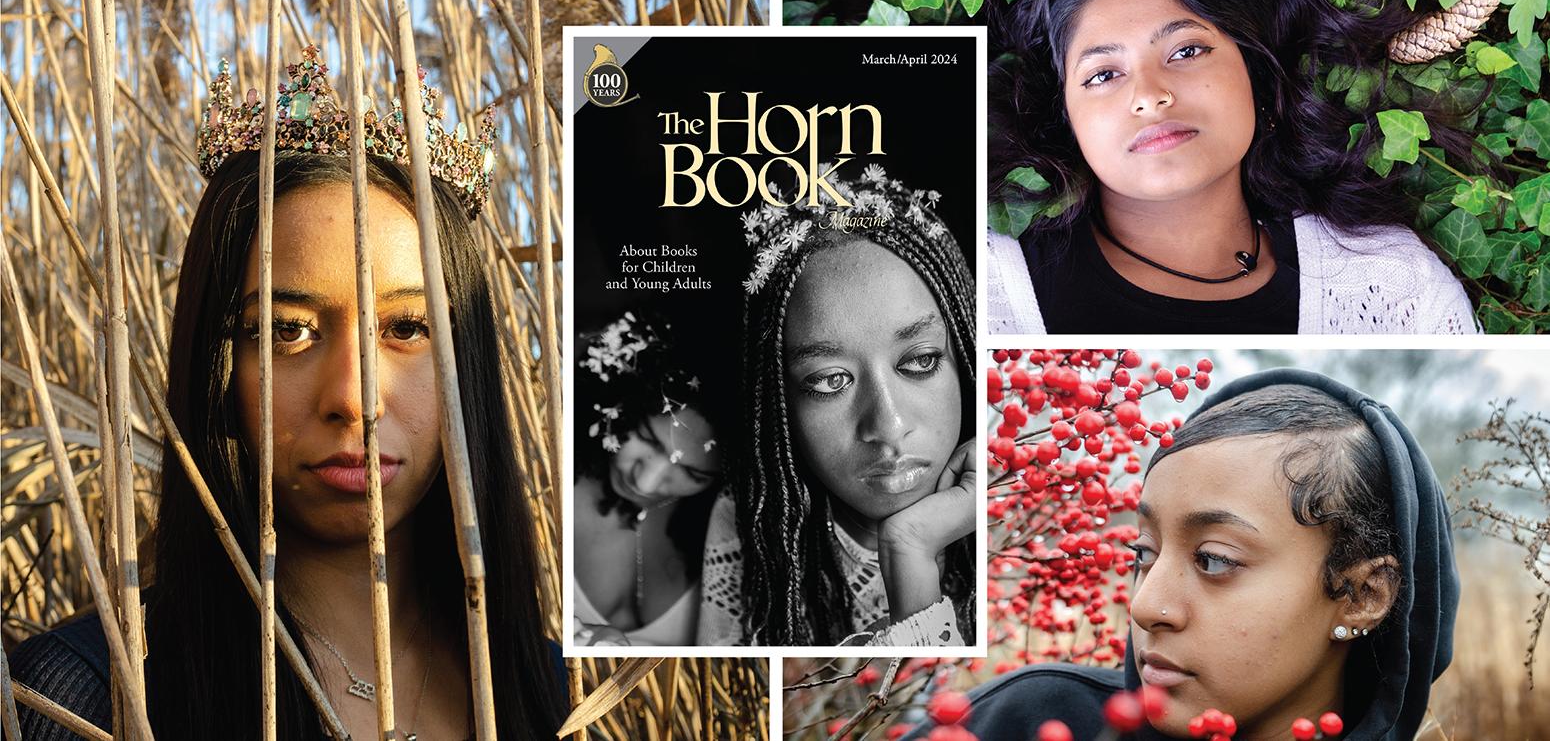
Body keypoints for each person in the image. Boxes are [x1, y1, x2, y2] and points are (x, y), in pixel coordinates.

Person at [10, 48, 565, 740]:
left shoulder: (542, 683)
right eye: (288, 331)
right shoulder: (88, 698)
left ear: (468, 361)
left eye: (408, 327)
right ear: (217, 362)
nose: (356, 399)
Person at [916, 369, 1459, 740]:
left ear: (1363, 595)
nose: (1145, 606)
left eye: (1214, 559)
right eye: (1143, 551)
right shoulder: (1030, 721)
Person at [986, 0, 1486, 334]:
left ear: (1257, 74)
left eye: (1185, 50)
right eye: (1102, 75)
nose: (1150, 96)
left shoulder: (1399, 287)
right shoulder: (986, 285)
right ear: (1067, 117)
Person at [698, 164, 978, 647]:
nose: (887, 426)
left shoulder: (1031, 508)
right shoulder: (752, 521)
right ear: (780, 403)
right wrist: (909, 551)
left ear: (964, 356)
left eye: (921, 361)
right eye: (829, 380)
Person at [572, 313, 725, 646]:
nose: (647, 483)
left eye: (693, 473)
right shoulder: (544, 492)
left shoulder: (729, 540)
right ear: (617, 400)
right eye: (647, 438)